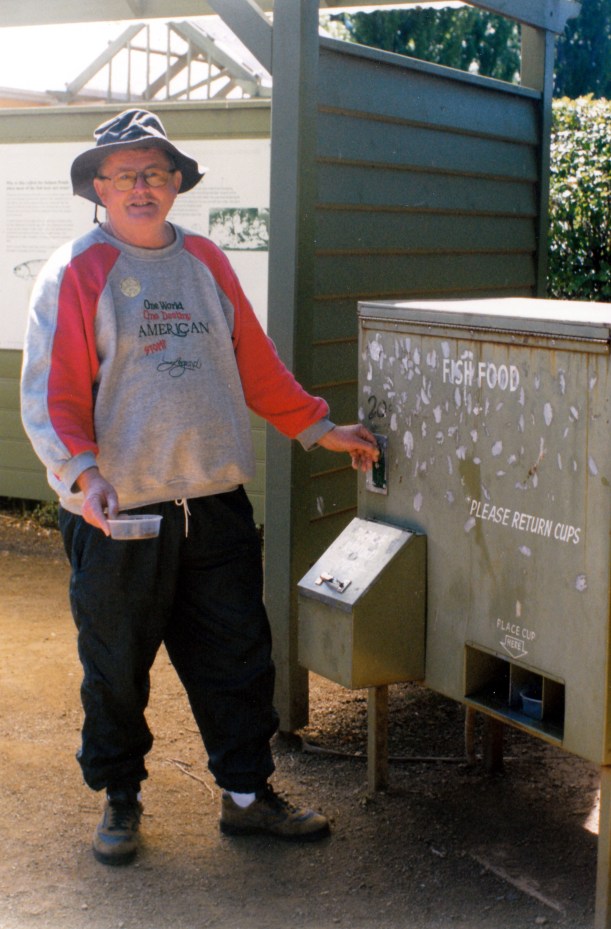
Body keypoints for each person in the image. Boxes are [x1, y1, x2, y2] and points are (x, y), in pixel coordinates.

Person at [20, 109, 379, 866]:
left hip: (212, 502)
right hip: (120, 512)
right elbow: (52, 394)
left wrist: (320, 427)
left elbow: (256, 361)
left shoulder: (208, 263)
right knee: (115, 663)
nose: (139, 187)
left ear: (177, 182)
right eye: (122, 175)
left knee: (237, 655)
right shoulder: (79, 271)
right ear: (98, 188)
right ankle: (120, 797)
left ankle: (247, 797)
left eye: (153, 172)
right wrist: (84, 473)